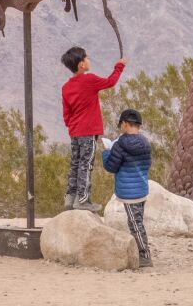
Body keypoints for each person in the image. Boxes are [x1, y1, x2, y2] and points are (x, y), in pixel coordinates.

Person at [60, 47, 125, 211]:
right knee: (86, 164)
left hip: (75, 133)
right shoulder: (89, 80)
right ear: (81, 64)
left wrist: (72, 126)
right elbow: (111, 82)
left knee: (75, 164)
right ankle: (83, 200)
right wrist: (119, 66)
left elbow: (66, 113)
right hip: (88, 132)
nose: (89, 60)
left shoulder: (66, 87)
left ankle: (70, 198)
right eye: (86, 58)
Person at [102, 108, 153, 268]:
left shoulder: (120, 144)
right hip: (142, 188)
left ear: (124, 124)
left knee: (135, 224)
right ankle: (142, 253)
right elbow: (147, 164)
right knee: (138, 222)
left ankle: (144, 256)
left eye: (121, 124)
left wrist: (106, 152)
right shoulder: (145, 142)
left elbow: (111, 166)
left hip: (128, 192)